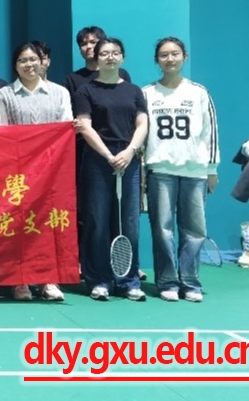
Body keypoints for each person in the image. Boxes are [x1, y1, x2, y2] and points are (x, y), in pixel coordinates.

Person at [0, 43, 72, 301]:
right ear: (15, 65)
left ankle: (49, 280)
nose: (29, 65)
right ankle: (20, 280)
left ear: (42, 62)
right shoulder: (5, 95)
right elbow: (0, 134)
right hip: (17, 173)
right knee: (19, 225)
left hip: (51, 172)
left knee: (48, 224)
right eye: (23, 60)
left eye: (33, 59)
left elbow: (64, 130)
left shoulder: (59, 93)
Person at [142, 37, 219, 303]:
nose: (170, 59)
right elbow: (141, 133)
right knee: (162, 230)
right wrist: (143, 171)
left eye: (175, 53)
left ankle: (190, 282)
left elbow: (210, 133)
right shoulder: (147, 93)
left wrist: (211, 169)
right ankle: (167, 282)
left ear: (185, 57)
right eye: (164, 55)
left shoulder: (199, 92)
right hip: (160, 169)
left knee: (194, 230)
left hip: (195, 171)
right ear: (157, 60)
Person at [73, 38, 148, 302]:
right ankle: (98, 280)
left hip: (129, 160)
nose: (110, 57)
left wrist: (129, 152)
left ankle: (128, 281)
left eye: (115, 53)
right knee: (97, 221)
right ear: (97, 58)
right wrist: (107, 155)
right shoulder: (85, 91)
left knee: (129, 223)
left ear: (122, 58)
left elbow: (142, 124)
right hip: (97, 160)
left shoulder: (134, 91)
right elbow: (84, 125)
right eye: (104, 53)